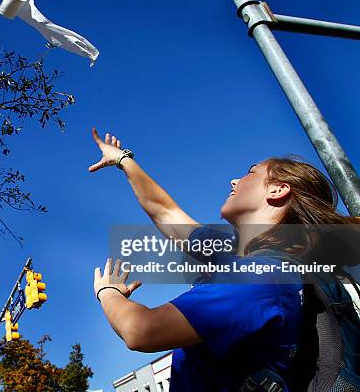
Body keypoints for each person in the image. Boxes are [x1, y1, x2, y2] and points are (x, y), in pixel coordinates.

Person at [88, 127, 359, 391]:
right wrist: (123, 160)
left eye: (250, 173)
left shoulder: (262, 276)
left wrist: (109, 293)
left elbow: (141, 330)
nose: (234, 180)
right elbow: (165, 212)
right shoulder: (235, 253)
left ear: (278, 190)